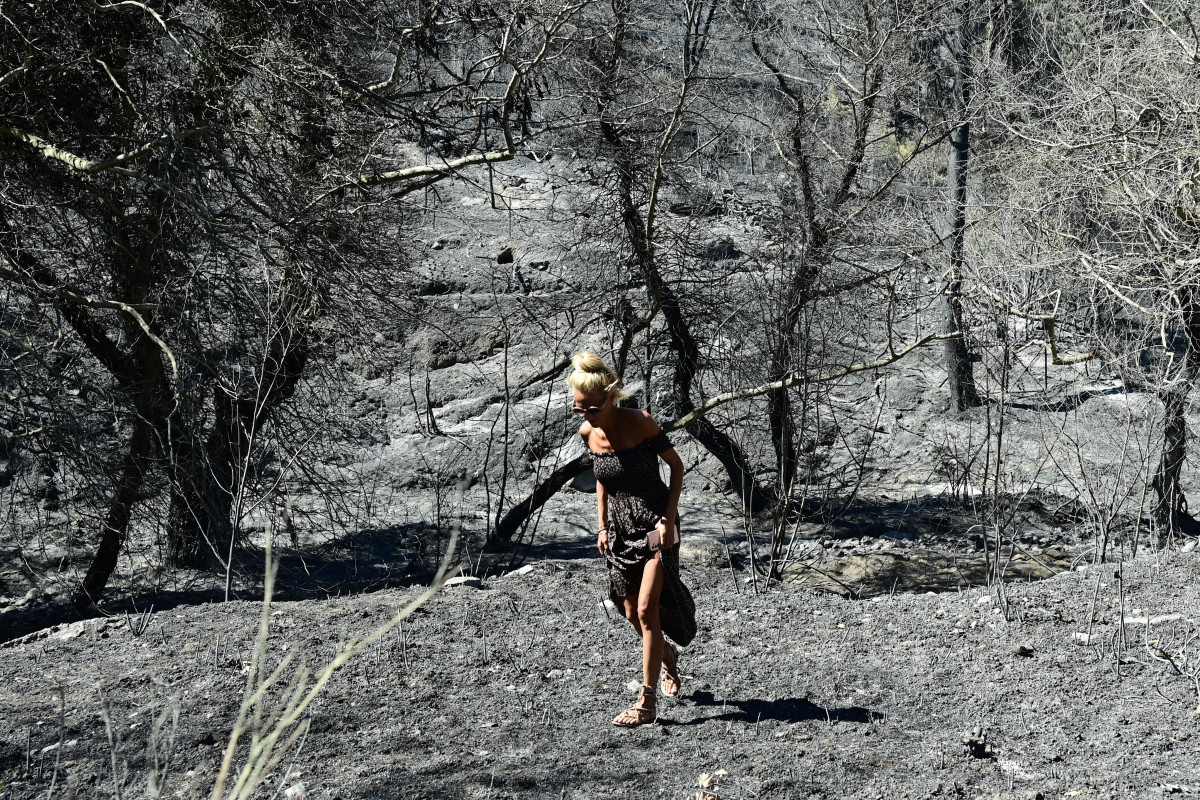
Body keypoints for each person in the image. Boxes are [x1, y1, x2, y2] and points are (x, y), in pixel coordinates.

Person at [568, 351, 697, 727]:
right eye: (579, 410)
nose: (585, 416)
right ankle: (665, 655)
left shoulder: (641, 423)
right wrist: (602, 526)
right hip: (620, 530)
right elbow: (603, 480)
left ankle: (647, 701)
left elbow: (676, 467)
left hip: (656, 523)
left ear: (610, 398)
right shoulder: (587, 433)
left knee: (645, 611)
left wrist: (667, 522)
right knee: (628, 612)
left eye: (590, 408)